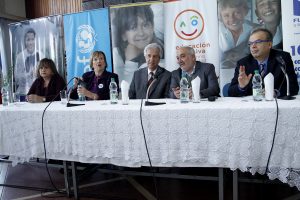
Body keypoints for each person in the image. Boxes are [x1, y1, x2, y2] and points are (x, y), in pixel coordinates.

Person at [228, 28, 299, 97]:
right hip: (253, 106)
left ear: (269, 44)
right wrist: (241, 87)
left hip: (276, 104)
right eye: (250, 43)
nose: (253, 46)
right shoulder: (243, 63)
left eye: (258, 42)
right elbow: (230, 92)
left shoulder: (282, 58)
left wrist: (275, 92)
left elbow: (293, 87)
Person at [112, 5, 164, 84]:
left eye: (145, 25)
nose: (141, 33)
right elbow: (125, 87)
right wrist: (130, 62)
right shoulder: (117, 54)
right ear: (123, 35)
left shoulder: (160, 49)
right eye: (133, 27)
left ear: (152, 27)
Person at [218, 0, 257, 69]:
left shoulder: (255, 30)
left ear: (245, 12)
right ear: (221, 17)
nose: (232, 19)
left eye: (237, 13)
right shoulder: (216, 32)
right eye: (226, 15)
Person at [15, 28, 44, 94]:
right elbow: (16, 78)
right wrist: (28, 75)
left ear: (35, 40)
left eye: (32, 39)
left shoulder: (41, 55)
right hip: (23, 91)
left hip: (39, 90)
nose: (30, 43)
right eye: (28, 40)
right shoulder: (19, 57)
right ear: (24, 41)